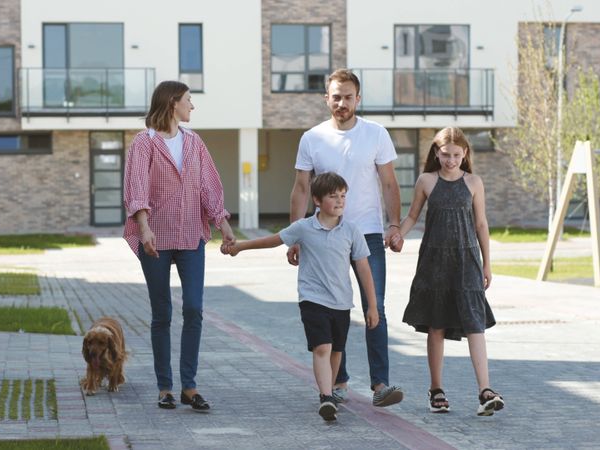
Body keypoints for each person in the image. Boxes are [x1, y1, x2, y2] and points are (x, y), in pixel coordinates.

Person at [222, 172, 379, 421]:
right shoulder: (304, 228)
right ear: (317, 200)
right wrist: (240, 247)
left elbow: (363, 268)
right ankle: (326, 397)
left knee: (337, 350)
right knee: (322, 347)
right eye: (333, 196)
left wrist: (372, 305)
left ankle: (330, 392)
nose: (339, 201)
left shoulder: (351, 230)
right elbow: (273, 240)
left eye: (343, 196)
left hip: (342, 302)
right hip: (312, 299)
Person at [288, 68, 403, 407]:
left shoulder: (376, 134)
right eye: (336, 97)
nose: (342, 103)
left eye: (348, 97)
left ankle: (380, 384)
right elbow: (301, 188)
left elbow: (389, 183)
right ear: (327, 98)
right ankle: (339, 382)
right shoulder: (312, 138)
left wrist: (394, 224)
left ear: (358, 99)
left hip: (367, 233)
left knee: (374, 306)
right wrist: (295, 235)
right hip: (325, 236)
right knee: (331, 307)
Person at [123, 80, 235, 412]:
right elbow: (137, 189)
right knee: (162, 313)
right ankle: (165, 388)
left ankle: (189, 386)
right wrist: (144, 229)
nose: (192, 106)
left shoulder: (194, 142)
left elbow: (208, 186)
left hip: (190, 237)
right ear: (173, 103)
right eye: (188, 100)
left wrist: (223, 224)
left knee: (194, 309)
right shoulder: (144, 143)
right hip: (155, 237)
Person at [390, 126, 504, 416]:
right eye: (445, 155)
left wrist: (487, 263)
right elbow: (412, 215)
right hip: (434, 262)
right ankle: (436, 390)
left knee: (475, 323)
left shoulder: (474, 182)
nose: (450, 160)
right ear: (436, 153)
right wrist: (398, 234)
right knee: (436, 324)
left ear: (465, 153)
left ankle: (485, 391)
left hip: (467, 260)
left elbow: (481, 224)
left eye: (456, 155)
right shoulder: (426, 180)